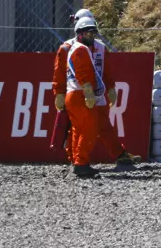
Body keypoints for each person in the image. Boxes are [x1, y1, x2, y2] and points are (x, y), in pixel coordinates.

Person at [52, 9, 139, 166]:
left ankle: (119, 154)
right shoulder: (67, 48)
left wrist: (111, 88)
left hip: (96, 92)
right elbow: (59, 72)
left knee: (103, 124)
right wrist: (59, 93)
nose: (91, 33)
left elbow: (106, 70)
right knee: (77, 127)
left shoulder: (100, 47)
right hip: (77, 92)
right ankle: (75, 159)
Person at [63, 16, 108, 179]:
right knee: (90, 128)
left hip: (74, 95)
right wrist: (89, 91)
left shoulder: (77, 49)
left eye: (93, 33)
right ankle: (81, 164)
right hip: (80, 94)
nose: (92, 36)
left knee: (78, 130)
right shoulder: (81, 50)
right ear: (79, 34)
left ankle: (77, 162)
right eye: (89, 34)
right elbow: (82, 73)